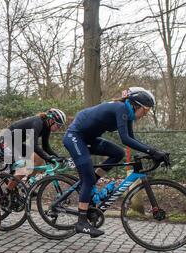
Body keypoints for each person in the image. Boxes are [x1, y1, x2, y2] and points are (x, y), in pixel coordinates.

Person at [63, 87, 169, 238]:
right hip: (75, 136)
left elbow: (131, 140)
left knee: (117, 153)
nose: (144, 115)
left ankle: (91, 182)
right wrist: (152, 152)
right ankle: (81, 222)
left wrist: (153, 150)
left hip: (88, 139)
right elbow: (125, 139)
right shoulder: (120, 108)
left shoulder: (128, 114)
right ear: (135, 105)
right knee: (87, 179)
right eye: (145, 111)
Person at [5, 108, 67, 190]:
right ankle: (8, 190)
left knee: (39, 158)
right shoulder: (38, 122)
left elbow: (45, 146)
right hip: (7, 142)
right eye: (58, 125)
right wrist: (48, 158)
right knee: (25, 166)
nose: (59, 128)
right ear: (51, 121)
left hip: (16, 143)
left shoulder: (46, 127)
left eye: (61, 126)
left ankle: (28, 185)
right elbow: (33, 145)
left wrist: (57, 156)